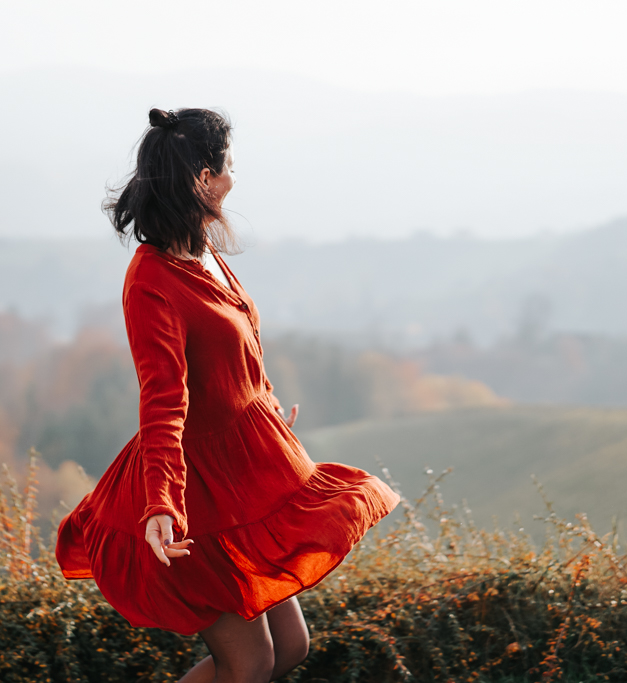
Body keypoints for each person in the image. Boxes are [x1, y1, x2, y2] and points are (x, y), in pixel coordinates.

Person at [55, 107, 400, 683]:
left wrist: (266, 413)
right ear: (203, 179)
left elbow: (238, 354)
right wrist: (162, 503)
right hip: (194, 491)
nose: (234, 180)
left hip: (243, 473)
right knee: (250, 662)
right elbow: (162, 401)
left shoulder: (205, 253)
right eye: (228, 168)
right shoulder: (151, 281)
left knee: (290, 647)